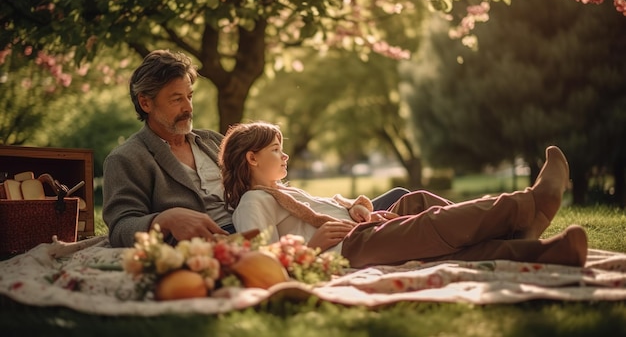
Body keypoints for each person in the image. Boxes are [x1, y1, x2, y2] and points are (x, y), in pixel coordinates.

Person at [102, 49, 406, 247]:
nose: (188, 108)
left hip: (278, 217)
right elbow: (120, 228)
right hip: (236, 238)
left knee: (399, 198)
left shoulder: (210, 141)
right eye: (175, 99)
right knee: (383, 231)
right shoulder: (128, 159)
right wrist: (163, 220)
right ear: (145, 102)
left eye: (189, 96)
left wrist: (340, 205)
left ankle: (424, 229)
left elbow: (270, 186)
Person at [219, 121, 589, 269]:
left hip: (360, 231)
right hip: (349, 250)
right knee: (431, 226)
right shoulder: (253, 203)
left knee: (418, 202)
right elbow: (257, 262)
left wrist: (357, 209)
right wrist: (312, 248)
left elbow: (327, 208)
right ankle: (527, 206)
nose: (284, 156)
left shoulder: (284, 192)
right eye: (275, 151)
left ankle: (533, 247)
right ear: (251, 158)